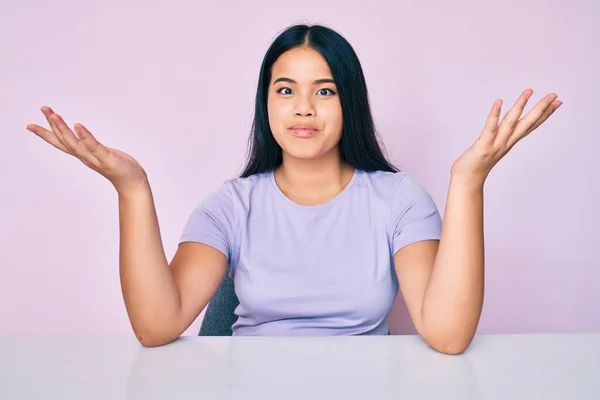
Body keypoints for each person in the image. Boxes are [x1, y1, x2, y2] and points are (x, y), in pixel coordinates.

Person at [26, 23, 562, 354]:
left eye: (324, 90)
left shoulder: (398, 200)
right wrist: (133, 189)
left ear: (348, 102)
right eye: (286, 90)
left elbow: (447, 335)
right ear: (267, 104)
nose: (303, 107)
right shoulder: (230, 205)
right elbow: (157, 325)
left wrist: (468, 182)